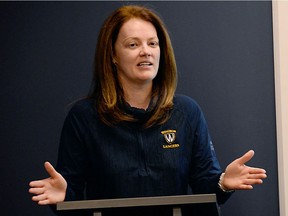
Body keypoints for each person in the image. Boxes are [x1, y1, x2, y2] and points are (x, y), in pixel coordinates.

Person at [29, 5, 267, 216]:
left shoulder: (187, 112)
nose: (146, 51)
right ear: (112, 54)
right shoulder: (84, 116)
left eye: (152, 43)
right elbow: (70, 195)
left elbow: (206, 189)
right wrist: (62, 199)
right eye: (133, 44)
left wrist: (224, 182)